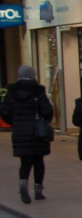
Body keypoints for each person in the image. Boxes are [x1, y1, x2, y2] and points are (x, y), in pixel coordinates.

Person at [0, 65, 55, 204]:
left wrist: (15, 122)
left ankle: (23, 183)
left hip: (20, 131)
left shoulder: (11, 92)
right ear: (33, 75)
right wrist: (44, 121)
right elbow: (47, 110)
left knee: (25, 161)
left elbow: (4, 111)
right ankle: (38, 190)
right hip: (37, 131)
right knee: (38, 161)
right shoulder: (38, 91)